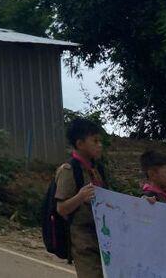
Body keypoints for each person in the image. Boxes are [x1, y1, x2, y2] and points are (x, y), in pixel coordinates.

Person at [53, 117, 108, 278]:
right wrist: (80, 197)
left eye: (100, 141)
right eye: (95, 141)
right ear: (80, 144)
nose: (100, 145)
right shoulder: (69, 170)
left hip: (102, 237)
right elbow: (61, 209)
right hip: (83, 239)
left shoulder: (97, 169)